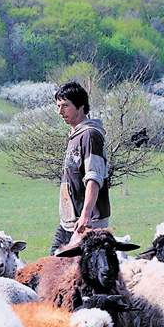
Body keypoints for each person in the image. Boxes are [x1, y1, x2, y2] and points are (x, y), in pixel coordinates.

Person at [50, 81, 111, 255]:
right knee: (55, 266)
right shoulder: (75, 136)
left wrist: (86, 215)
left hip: (87, 222)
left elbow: (94, 178)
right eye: (59, 106)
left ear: (81, 107)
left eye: (65, 106)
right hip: (70, 221)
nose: (60, 112)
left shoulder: (90, 135)